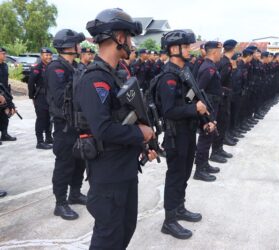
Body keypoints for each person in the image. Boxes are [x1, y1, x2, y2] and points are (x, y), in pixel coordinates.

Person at [78, 8, 157, 249]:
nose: (131, 44)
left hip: (123, 169)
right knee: (108, 237)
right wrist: (140, 134)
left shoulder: (116, 75)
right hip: (108, 174)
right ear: (119, 38)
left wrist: (143, 145)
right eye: (130, 38)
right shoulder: (95, 78)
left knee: (124, 230)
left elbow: (123, 118)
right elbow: (103, 129)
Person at [157, 30, 215, 239]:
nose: (190, 49)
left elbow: (192, 98)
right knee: (175, 176)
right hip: (175, 135)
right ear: (174, 49)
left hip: (188, 132)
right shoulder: (169, 77)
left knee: (184, 173)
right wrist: (195, 110)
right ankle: (169, 220)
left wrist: (205, 120)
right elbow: (169, 110)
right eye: (186, 46)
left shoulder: (185, 72)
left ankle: (179, 207)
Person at [46, 29, 86, 220]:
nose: (80, 47)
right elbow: (61, 97)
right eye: (77, 44)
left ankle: (75, 194)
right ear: (70, 46)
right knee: (64, 164)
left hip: (79, 124)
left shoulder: (76, 67)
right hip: (64, 126)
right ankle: (60, 203)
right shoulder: (56, 68)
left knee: (80, 161)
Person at [194, 41, 224, 182]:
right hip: (208, 107)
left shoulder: (211, 66)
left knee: (209, 136)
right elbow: (199, 91)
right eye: (220, 51)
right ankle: (199, 169)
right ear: (214, 52)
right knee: (205, 137)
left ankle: (204, 164)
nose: (221, 54)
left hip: (213, 105)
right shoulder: (208, 68)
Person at [211, 39, 237, 160]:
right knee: (221, 124)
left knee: (222, 123)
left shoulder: (223, 61)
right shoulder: (225, 63)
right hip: (222, 98)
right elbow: (219, 82)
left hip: (222, 97)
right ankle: (216, 151)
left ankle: (219, 148)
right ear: (233, 49)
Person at [28, 47, 54, 150]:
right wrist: (32, 96)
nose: (48, 57)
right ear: (41, 56)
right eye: (46, 55)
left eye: (50, 55)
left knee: (49, 118)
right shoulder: (37, 68)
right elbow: (30, 83)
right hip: (41, 97)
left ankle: (48, 138)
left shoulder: (52, 67)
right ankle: (40, 141)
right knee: (41, 119)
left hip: (50, 97)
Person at [0, 47, 16, 142]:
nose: (5, 55)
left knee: (5, 114)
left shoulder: (5, 66)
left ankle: (4, 134)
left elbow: (5, 82)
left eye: (5, 53)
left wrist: (8, 96)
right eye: (3, 53)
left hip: (5, 91)